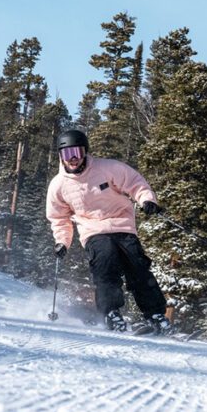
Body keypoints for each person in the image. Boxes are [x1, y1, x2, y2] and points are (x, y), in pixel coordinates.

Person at [46, 128, 172, 335]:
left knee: (138, 267)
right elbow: (59, 218)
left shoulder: (108, 168)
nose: (73, 158)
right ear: (61, 156)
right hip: (92, 230)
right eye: (68, 154)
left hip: (122, 224)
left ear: (85, 151)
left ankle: (156, 316)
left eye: (77, 152)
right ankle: (111, 313)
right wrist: (62, 242)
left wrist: (147, 200)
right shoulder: (58, 185)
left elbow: (135, 183)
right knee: (105, 262)